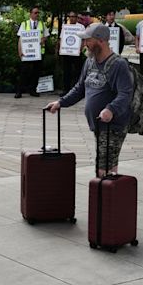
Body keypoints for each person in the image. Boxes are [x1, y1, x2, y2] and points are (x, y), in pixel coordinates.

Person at [46, 23, 133, 176]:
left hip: (113, 125)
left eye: (88, 40)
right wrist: (61, 102)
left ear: (101, 41)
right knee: (107, 167)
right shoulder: (90, 62)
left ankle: (106, 196)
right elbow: (80, 88)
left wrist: (110, 109)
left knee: (103, 168)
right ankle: (109, 196)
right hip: (98, 125)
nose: (85, 44)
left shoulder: (118, 65)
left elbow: (125, 94)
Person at [15, 6, 49, 98]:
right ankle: (19, 91)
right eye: (35, 13)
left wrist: (43, 39)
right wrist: (20, 51)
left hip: (38, 53)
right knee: (24, 72)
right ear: (30, 14)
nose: (37, 14)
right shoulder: (24, 24)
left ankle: (32, 90)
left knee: (36, 72)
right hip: (27, 53)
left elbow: (46, 36)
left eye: (38, 13)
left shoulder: (42, 24)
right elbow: (20, 39)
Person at [58, 11, 85, 94]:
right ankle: (66, 90)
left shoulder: (81, 27)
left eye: (73, 16)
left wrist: (81, 48)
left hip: (76, 53)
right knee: (66, 71)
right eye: (70, 16)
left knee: (77, 71)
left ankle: (77, 90)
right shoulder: (65, 27)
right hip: (66, 52)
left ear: (77, 18)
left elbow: (84, 39)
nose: (72, 18)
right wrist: (60, 49)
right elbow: (62, 39)